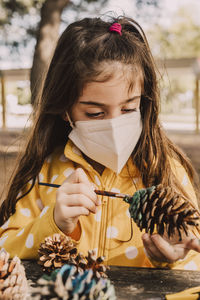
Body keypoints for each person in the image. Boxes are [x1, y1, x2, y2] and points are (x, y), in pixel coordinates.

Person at [1, 16, 200, 270]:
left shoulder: (167, 173)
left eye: (128, 109)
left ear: (144, 103)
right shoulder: (45, 174)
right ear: (65, 110)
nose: (114, 127)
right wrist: (52, 223)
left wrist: (171, 261)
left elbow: (195, 258)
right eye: (95, 113)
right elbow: (5, 247)